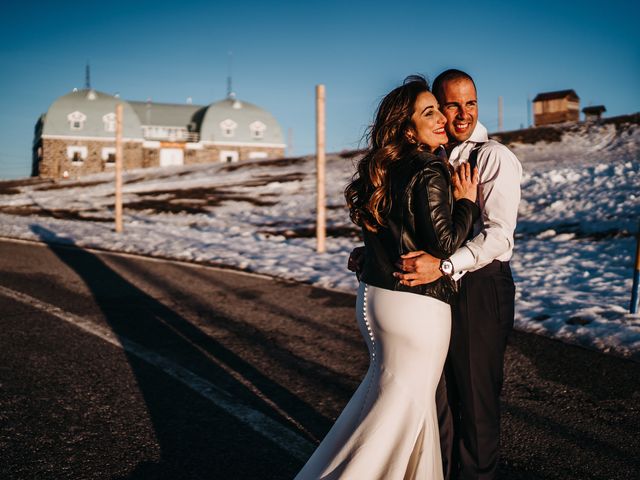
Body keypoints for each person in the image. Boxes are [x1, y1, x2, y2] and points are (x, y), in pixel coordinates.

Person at [295, 75, 480, 480]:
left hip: (376, 299)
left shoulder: (383, 169)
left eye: (438, 110)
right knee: (403, 414)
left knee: (386, 406)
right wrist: (466, 202)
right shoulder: (430, 167)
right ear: (407, 126)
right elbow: (445, 241)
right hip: (417, 305)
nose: (441, 120)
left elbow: (390, 236)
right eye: (428, 112)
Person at [394, 69, 522, 480]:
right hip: (438, 292)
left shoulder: (493, 156)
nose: (463, 114)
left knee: (476, 404)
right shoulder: (434, 157)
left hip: (480, 286)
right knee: (442, 402)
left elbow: (499, 237)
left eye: (471, 103)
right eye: (452, 104)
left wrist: (446, 265)